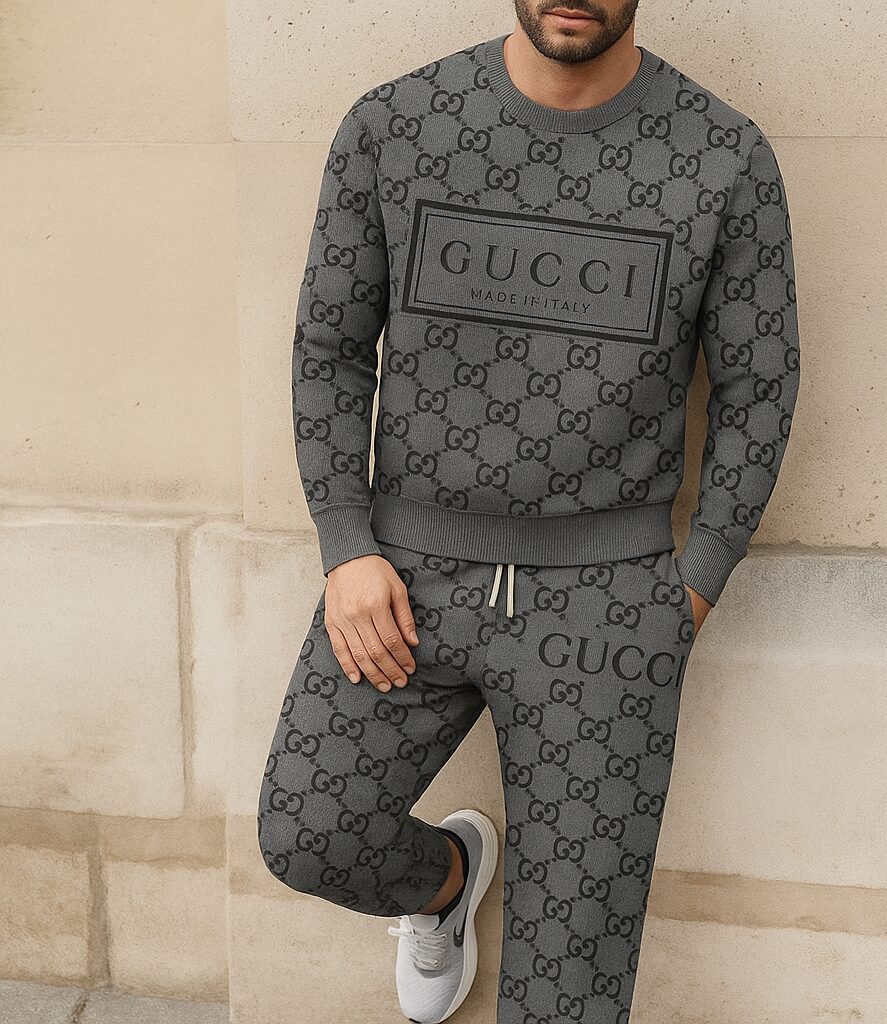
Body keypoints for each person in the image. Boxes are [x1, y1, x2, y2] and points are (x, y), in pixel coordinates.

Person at [257, 2, 800, 1021]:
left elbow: (758, 389)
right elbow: (328, 348)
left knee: (568, 990)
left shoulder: (723, 156)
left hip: (610, 608)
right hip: (403, 580)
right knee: (311, 834)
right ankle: (448, 884)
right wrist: (345, 545)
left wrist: (689, 588)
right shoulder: (394, 124)